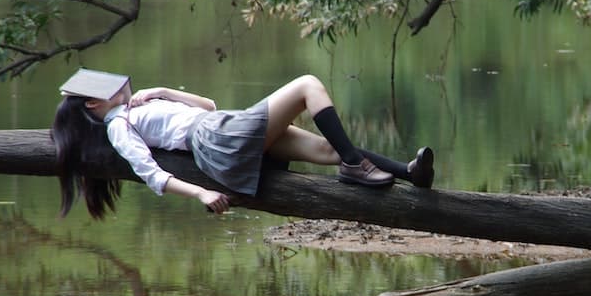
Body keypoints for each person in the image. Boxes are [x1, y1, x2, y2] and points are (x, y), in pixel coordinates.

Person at [50, 69, 435, 219]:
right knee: (306, 85)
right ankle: (355, 167)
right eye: (110, 88)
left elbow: (208, 105)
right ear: (93, 104)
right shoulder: (118, 127)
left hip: (219, 124)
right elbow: (151, 173)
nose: (122, 86)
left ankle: (407, 173)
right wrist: (200, 194)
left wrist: (164, 90)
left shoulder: (137, 106)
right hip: (217, 139)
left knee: (327, 151)